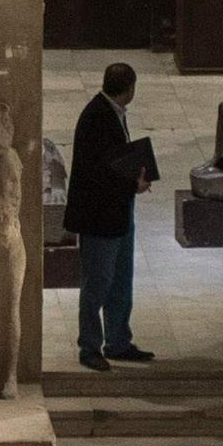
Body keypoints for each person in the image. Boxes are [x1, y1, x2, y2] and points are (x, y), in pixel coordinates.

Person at [66, 61, 157, 367]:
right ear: (130, 89)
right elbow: (99, 171)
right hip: (99, 216)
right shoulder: (97, 117)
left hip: (116, 211)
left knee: (119, 279)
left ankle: (118, 341)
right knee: (97, 283)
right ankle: (90, 347)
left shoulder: (110, 112)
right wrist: (133, 184)